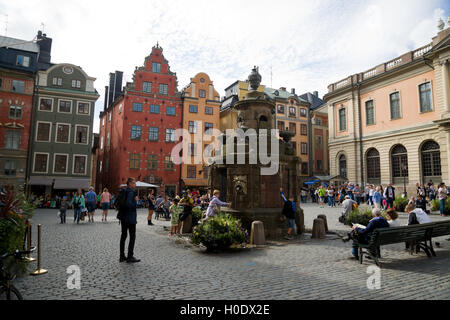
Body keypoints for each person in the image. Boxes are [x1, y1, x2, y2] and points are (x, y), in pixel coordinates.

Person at [118, 177, 140, 263]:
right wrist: (135, 201)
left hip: (123, 217)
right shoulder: (131, 192)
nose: (135, 184)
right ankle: (130, 256)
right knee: (132, 236)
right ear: (130, 184)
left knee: (123, 236)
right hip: (130, 217)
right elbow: (129, 204)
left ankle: (122, 256)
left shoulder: (124, 191)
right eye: (134, 183)